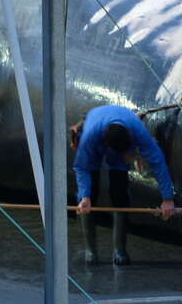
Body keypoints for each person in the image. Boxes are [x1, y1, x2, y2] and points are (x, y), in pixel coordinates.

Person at [72, 105, 176, 265]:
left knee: (119, 193)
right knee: (89, 195)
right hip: (97, 134)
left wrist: (167, 198)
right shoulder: (90, 137)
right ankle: (90, 251)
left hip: (121, 142)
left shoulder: (137, 131)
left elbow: (158, 161)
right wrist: (84, 196)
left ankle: (119, 250)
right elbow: (81, 167)